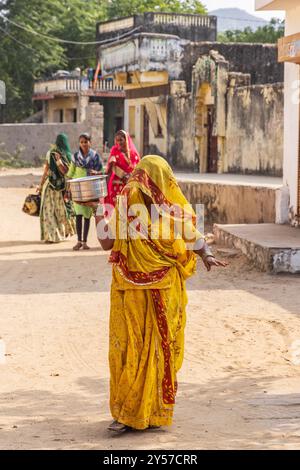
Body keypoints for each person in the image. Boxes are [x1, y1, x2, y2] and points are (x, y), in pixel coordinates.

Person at [88, 155, 227, 433]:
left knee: (160, 351)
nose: (138, 185)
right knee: (130, 350)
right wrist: (95, 208)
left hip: (163, 291)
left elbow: (192, 235)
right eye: (137, 179)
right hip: (129, 291)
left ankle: (152, 411)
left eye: (145, 179)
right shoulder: (127, 206)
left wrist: (207, 254)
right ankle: (128, 414)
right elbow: (106, 242)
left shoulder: (169, 211)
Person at [67, 133, 104, 251]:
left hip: (90, 189)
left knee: (87, 216)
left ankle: (85, 242)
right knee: (78, 215)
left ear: (90, 143)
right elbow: (70, 173)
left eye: (86, 142)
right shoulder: (75, 157)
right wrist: (68, 188)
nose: (84, 144)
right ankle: (78, 241)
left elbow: (101, 171)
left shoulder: (95, 156)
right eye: (81, 142)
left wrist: (96, 172)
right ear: (79, 143)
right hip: (78, 189)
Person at [38, 133, 76, 244]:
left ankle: (54, 235)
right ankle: (54, 235)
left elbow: (50, 171)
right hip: (57, 188)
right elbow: (50, 170)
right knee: (56, 212)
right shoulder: (66, 155)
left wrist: (40, 185)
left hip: (55, 188)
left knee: (50, 212)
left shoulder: (56, 154)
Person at [105, 130, 140, 207]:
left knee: (128, 207)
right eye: (117, 140)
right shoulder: (114, 150)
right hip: (116, 184)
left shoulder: (133, 153)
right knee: (117, 207)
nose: (119, 142)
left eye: (121, 140)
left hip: (129, 183)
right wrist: (112, 163)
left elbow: (137, 167)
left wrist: (130, 176)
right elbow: (110, 168)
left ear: (126, 139)